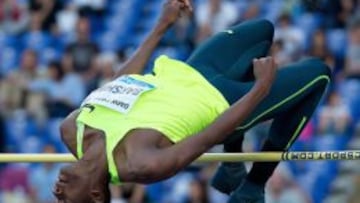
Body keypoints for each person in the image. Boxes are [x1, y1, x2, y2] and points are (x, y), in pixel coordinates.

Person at [54, 0, 331, 202]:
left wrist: (162, 26)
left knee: (263, 29)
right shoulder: (143, 164)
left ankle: (232, 163)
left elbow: (118, 83)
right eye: (65, 201)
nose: (57, 193)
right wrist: (261, 88)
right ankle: (253, 185)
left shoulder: (71, 130)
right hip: (223, 102)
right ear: (95, 194)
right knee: (319, 74)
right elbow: (211, 135)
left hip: (192, 69)